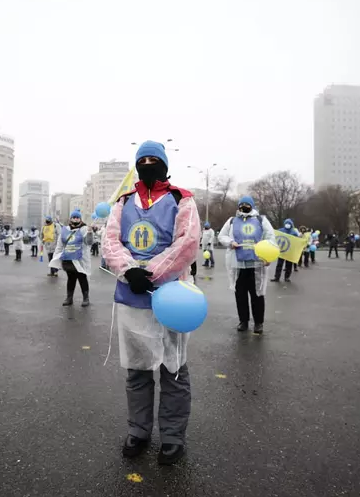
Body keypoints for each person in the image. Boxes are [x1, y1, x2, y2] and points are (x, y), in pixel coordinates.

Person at [102, 140, 200, 466]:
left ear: (164, 165)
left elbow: (188, 242)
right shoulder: (123, 202)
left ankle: (172, 437)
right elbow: (110, 241)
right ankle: (138, 430)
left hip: (172, 297)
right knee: (137, 371)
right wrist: (129, 270)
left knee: (174, 370)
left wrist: (152, 273)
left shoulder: (181, 199)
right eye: (142, 160)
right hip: (132, 296)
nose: (147, 165)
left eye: (153, 160)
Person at [218, 196, 276, 333]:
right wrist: (230, 242)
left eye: (247, 204)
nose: (244, 206)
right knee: (240, 295)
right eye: (241, 204)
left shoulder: (261, 220)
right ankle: (243, 321)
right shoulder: (232, 221)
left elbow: (270, 238)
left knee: (257, 294)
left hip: (256, 264)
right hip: (238, 264)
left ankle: (258, 323)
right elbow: (222, 236)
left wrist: (268, 256)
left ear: (252, 206)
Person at [50, 210, 93, 306]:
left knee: (82, 278)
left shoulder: (84, 229)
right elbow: (60, 244)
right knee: (71, 279)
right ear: (70, 219)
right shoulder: (65, 230)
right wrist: (56, 257)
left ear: (80, 219)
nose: (75, 219)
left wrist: (90, 232)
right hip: (69, 259)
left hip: (80, 259)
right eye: (74, 217)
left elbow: (89, 242)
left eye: (77, 217)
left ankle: (86, 298)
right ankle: (69, 298)